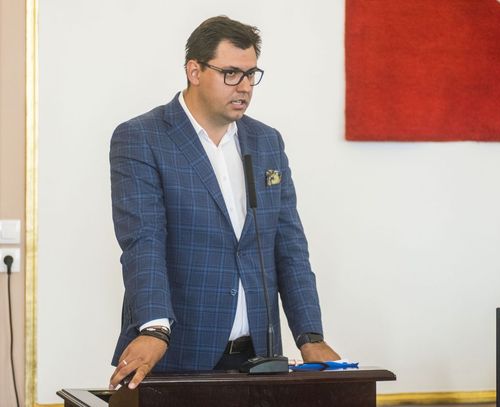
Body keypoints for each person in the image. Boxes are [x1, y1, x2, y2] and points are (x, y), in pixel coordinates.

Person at [108, 15, 339, 390]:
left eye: (251, 74)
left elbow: (289, 246)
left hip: (259, 359)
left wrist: (309, 335)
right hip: (177, 353)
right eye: (231, 73)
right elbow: (143, 241)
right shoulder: (142, 137)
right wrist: (154, 328)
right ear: (194, 71)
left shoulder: (266, 142)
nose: (244, 86)